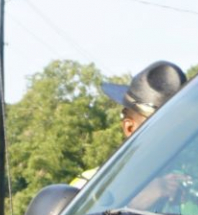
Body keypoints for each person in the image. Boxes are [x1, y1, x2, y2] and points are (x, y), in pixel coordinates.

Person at [69, 61, 188, 191]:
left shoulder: (184, 189)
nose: (173, 139)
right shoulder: (88, 187)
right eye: (161, 129)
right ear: (130, 128)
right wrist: (138, 201)